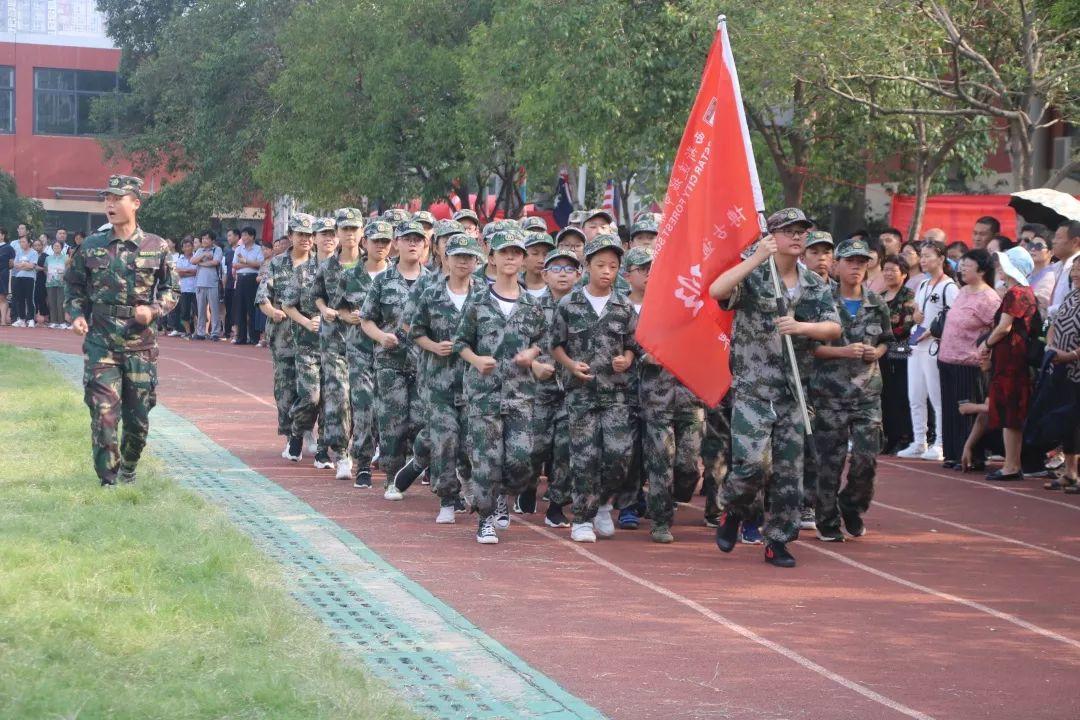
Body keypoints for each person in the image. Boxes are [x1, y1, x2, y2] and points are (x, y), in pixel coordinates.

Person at [708, 208, 841, 568]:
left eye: (801, 231)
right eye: (788, 231)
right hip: (753, 387)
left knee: (788, 474)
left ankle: (778, 541)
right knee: (750, 465)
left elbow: (833, 327)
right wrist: (756, 258)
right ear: (771, 236)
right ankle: (733, 510)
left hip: (793, 390)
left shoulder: (813, 283)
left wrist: (802, 328)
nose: (797, 237)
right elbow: (717, 290)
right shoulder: (754, 275)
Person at [63, 174, 177, 486]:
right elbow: (72, 288)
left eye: (117, 199)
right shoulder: (91, 246)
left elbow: (171, 291)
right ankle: (108, 481)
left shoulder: (157, 246)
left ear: (135, 203)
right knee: (103, 415)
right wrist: (75, 316)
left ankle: (128, 468)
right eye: (107, 199)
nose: (110, 204)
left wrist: (152, 310)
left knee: (138, 421)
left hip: (141, 346)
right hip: (101, 344)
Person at [454, 230, 545, 544]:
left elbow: (542, 341)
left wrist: (531, 354)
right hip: (483, 395)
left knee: (521, 460)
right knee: (486, 460)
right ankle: (485, 518)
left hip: (520, 395)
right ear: (491, 258)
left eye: (516, 253)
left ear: (523, 260)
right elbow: (460, 343)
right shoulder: (478, 302)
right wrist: (477, 360)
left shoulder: (532, 306)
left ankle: (504, 494)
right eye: (504, 252)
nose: (510, 258)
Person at [552, 233, 639, 543]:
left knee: (620, 455)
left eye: (613, 266)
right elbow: (555, 345)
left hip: (615, 393)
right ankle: (583, 518)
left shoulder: (624, 305)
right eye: (600, 264)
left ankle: (604, 503)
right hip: (581, 393)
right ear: (586, 266)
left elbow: (632, 345)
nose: (606, 271)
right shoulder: (568, 304)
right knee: (584, 457)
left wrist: (626, 360)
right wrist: (571, 364)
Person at [810, 238, 892, 540]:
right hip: (829, 395)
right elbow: (809, 349)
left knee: (866, 460)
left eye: (862, 262)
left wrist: (878, 352)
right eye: (850, 261)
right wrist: (842, 352)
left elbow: (887, 339)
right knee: (828, 462)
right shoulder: (821, 302)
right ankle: (827, 520)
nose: (856, 267)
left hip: (867, 394)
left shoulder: (876, 302)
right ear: (836, 265)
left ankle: (852, 504)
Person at [626, 245, 704, 543]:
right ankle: (660, 521)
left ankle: (674, 497)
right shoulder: (624, 307)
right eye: (643, 269)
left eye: (653, 268)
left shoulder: (681, 302)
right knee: (660, 460)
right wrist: (643, 356)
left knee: (687, 465)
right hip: (654, 396)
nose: (650, 274)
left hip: (688, 394)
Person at [408, 233, 484, 523]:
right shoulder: (432, 294)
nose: (463, 262)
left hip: (472, 382)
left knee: (469, 441)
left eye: (469, 257)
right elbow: (415, 331)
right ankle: (447, 500)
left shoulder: (483, 296)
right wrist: (433, 346)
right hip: (438, 382)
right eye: (458, 257)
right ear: (446, 260)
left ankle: (468, 483)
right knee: (445, 440)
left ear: (476, 261)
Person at [360, 220, 430, 498]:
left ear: (425, 245)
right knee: (393, 422)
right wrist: (380, 337)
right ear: (396, 243)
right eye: (407, 239)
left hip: (425, 364)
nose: (412, 244)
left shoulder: (434, 281)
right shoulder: (383, 281)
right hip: (390, 363)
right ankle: (392, 478)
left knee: (421, 420)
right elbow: (366, 320)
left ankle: (418, 466)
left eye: (418, 239)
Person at [530, 248, 581, 528]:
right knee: (535, 448)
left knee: (565, 449)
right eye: (557, 268)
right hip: (538, 388)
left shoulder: (584, 306)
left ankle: (557, 505)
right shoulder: (531, 305)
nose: (563, 274)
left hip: (572, 389)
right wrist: (534, 365)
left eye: (569, 269)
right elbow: (516, 344)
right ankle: (527, 486)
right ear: (544, 274)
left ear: (579, 274)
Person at [340, 219, 393, 488]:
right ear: (365, 243)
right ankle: (362, 463)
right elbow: (336, 307)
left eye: (386, 241)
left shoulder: (397, 277)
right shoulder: (350, 276)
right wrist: (347, 316)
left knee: (386, 409)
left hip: (391, 354)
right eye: (376, 241)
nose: (381, 246)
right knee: (363, 406)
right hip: (360, 349)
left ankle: (390, 460)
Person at [937, 249, 1000, 470]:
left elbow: (997, 329)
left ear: (982, 270)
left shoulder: (990, 298)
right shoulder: (963, 291)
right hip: (947, 358)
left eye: (968, 265)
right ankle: (953, 454)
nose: (962, 268)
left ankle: (973, 456)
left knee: (968, 410)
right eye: (961, 264)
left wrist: (987, 355)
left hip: (970, 363)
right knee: (951, 409)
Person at [313, 207, 364, 481]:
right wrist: (324, 309)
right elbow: (317, 296)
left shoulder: (372, 266)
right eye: (345, 229)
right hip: (333, 339)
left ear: (361, 232)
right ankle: (342, 453)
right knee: (338, 396)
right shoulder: (327, 266)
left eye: (354, 229)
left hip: (365, 343)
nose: (349, 234)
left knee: (360, 399)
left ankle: (360, 447)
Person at [258, 213, 313, 460]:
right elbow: (262, 296)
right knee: (285, 388)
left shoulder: (320, 265)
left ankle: (305, 430)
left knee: (311, 389)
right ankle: (292, 435)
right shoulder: (276, 263)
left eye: (309, 235)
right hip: (283, 334)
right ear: (291, 237)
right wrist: (272, 311)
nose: (305, 239)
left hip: (312, 335)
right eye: (300, 234)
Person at [980, 247, 1038, 480]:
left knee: (1010, 410)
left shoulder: (1015, 293)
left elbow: (1004, 327)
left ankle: (1012, 465)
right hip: (1013, 357)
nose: (999, 268)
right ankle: (1011, 462)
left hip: (1011, 358)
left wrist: (985, 345)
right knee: (1010, 411)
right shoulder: (1023, 291)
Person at [282, 217, 336, 465]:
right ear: (315, 239)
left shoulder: (345, 271)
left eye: (332, 234)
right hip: (307, 345)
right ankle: (296, 434)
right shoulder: (303, 272)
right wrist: (306, 322)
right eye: (323, 234)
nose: (328, 239)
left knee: (332, 401)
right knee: (311, 397)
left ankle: (324, 450)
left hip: (337, 347)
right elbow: (287, 305)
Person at [897, 241, 958, 461]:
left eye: (928, 256)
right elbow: (918, 314)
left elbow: (954, 317)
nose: (923, 260)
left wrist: (932, 331)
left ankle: (940, 442)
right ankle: (919, 441)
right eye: (921, 256)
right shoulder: (923, 285)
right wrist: (916, 320)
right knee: (915, 394)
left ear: (941, 258)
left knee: (937, 396)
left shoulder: (949, 287)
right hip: (917, 343)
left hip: (935, 345)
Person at [1044, 258, 1080, 492]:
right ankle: (1070, 472)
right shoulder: (1071, 296)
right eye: (1075, 269)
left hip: (1075, 367)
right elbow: (1054, 325)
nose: (1076, 274)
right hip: (1062, 370)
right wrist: (1050, 347)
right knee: (1068, 423)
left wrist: (1070, 356)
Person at [880, 254, 916, 454]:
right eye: (885, 269)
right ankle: (889, 435)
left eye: (893, 270)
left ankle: (905, 435)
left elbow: (908, 325)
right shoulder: (880, 296)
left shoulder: (908, 296)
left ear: (904, 274)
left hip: (901, 350)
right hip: (881, 351)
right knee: (886, 394)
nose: (888, 274)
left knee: (901, 392)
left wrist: (884, 337)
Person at [233, 226, 265, 345]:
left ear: (252, 236)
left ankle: (254, 338)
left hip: (253, 280)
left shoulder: (258, 249)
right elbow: (235, 265)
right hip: (241, 279)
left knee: (252, 309)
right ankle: (241, 337)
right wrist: (248, 264)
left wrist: (245, 262)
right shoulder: (238, 249)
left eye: (246, 235)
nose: (244, 237)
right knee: (240, 309)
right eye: (243, 235)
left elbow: (259, 264)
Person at [192, 231, 224, 340]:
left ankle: (215, 332)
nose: (204, 241)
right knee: (201, 309)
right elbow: (193, 261)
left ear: (212, 240)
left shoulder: (217, 249)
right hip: (200, 283)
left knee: (214, 309)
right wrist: (204, 255)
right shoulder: (200, 250)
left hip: (213, 283)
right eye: (203, 238)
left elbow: (215, 262)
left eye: (207, 238)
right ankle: (201, 332)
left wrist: (201, 263)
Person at [1048, 221, 1080, 319]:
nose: (1053, 241)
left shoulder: (1076, 270)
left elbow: (1075, 305)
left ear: (1075, 242)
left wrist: (1048, 310)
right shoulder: (1055, 267)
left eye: (1058, 237)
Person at [1023, 228, 1057, 314]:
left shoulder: (1052, 276)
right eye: (1031, 245)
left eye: (1038, 246)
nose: (1033, 249)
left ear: (1051, 252)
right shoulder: (1026, 272)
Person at [10, 233, 38, 326]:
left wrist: (23, 265)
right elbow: (15, 265)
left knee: (29, 298)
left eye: (23, 242)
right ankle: (21, 319)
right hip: (19, 277)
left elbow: (32, 266)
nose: (21, 243)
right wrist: (25, 264)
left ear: (29, 243)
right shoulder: (18, 252)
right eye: (20, 242)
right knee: (20, 298)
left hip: (29, 278)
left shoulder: (33, 252)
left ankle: (31, 319)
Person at [173, 237, 197, 338]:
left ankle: (197, 331)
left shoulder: (196, 257)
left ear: (192, 247)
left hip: (196, 289)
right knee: (185, 312)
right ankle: (188, 332)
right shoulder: (180, 259)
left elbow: (197, 271)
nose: (187, 248)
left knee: (197, 311)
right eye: (185, 246)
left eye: (189, 246)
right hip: (184, 289)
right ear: (182, 248)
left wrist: (185, 271)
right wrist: (190, 272)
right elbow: (179, 273)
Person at [522, 231, 555, 297]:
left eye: (545, 254)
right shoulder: (514, 284)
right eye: (535, 253)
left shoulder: (557, 286)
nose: (541, 260)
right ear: (523, 256)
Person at [44, 240, 68, 328]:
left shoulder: (66, 257)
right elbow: (45, 269)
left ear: (61, 248)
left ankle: (62, 322)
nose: (56, 248)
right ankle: (53, 321)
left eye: (58, 246)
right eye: (55, 246)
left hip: (62, 283)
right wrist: (49, 275)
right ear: (52, 248)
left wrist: (63, 276)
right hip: (50, 283)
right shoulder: (48, 258)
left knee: (60, 302)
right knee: (52, 302)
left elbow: (68, 269)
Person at [33, 235, 48, 325]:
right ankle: (33, 318)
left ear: (42, 246)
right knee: (33, 299)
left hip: (42, 280)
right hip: (32, 280)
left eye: (39, 245)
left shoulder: (46, 256)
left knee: (42, 299)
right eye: (35, 245)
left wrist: (39, 268)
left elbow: (48, 268)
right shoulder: (31, 255)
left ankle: (45, 319)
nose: (37, 247)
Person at [0, 228, 13, 326]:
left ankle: (3, 321)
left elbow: (11, 264)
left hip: (3, 274)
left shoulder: (8, 248)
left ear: (3, 235)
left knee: (2, 297)